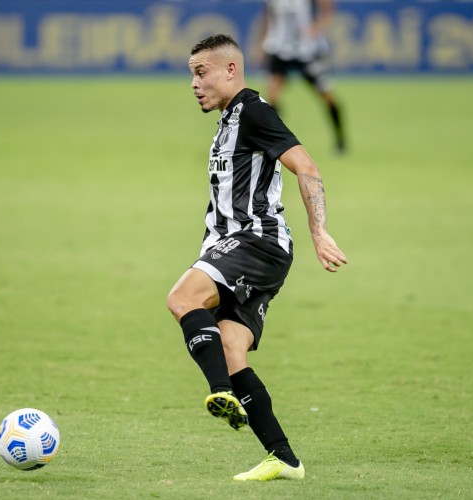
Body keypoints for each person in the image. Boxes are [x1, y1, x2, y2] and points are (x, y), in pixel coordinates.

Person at [166, 34, 347, 482]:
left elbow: (306, 166)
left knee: (183, 297)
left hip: (256, 241)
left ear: (231, 70)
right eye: (192, 74)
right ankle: (283, 458)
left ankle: (219, 392)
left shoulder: (255, 112)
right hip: (242, 246)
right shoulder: (229, 120)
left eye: (201, 72)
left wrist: (319, 230)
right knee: (231, 348)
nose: (194, 83)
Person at [257, 0, 346, 153]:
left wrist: (317, 28)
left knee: (326, 95)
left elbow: (328, 10)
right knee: (272, 96)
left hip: (307, 51)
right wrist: (260, 43)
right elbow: (267, 17)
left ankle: (340, 141)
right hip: (279, 49)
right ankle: (273, 142)